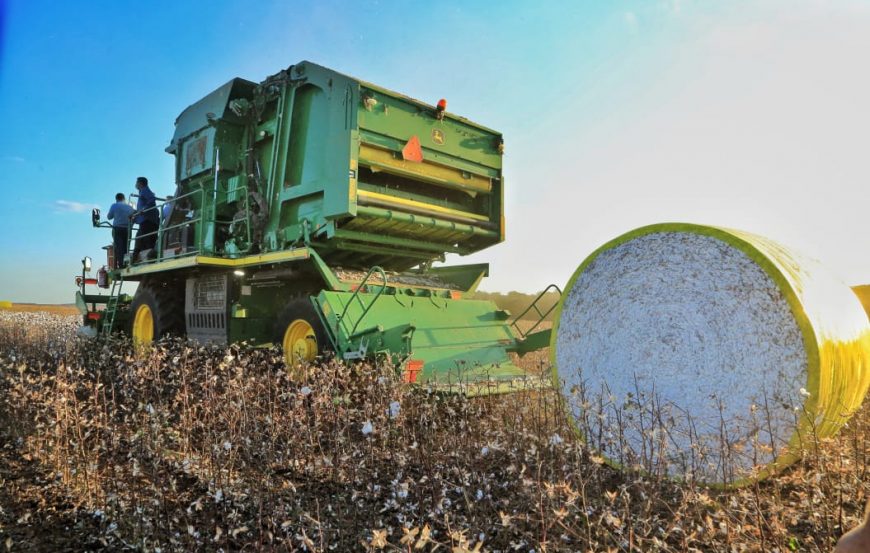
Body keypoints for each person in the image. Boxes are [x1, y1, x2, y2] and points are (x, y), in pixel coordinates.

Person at [131, 176, 159, 261]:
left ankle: (146, 257)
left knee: (146, 240)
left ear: (140, 183)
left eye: (136, 183)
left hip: (148, 221)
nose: (135, 184)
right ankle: (139, 256)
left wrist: (144, 209)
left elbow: (151, 200)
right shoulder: (142, 192)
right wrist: (135, 216)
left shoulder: (145, 190)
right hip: (147, 220)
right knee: (142, 239)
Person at [106, 193, 135, 268]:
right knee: (126, 247)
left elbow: (109, 217)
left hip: (117, 228)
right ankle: (126, 263)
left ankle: (121, 264)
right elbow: (134, 214)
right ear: (124, 198)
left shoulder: (114, 205)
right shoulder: (129, 207)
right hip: (127, 229)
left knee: (119, 247)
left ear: (116, 199)